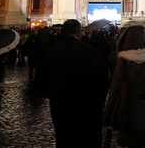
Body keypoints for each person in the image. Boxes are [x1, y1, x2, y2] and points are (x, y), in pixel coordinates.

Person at [36, 19, 110, 147]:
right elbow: (103, 79)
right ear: (78, 33)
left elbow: (40, 82)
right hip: (86, 106)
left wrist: (54, 95)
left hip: (60, 104)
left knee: (64, 138)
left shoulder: (50, 52)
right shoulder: (89, 51)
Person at [104, 25, 145, 147]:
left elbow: (114, 89)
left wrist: (108, 114)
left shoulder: (123, 60)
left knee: (133, 141)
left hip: (129, 107)